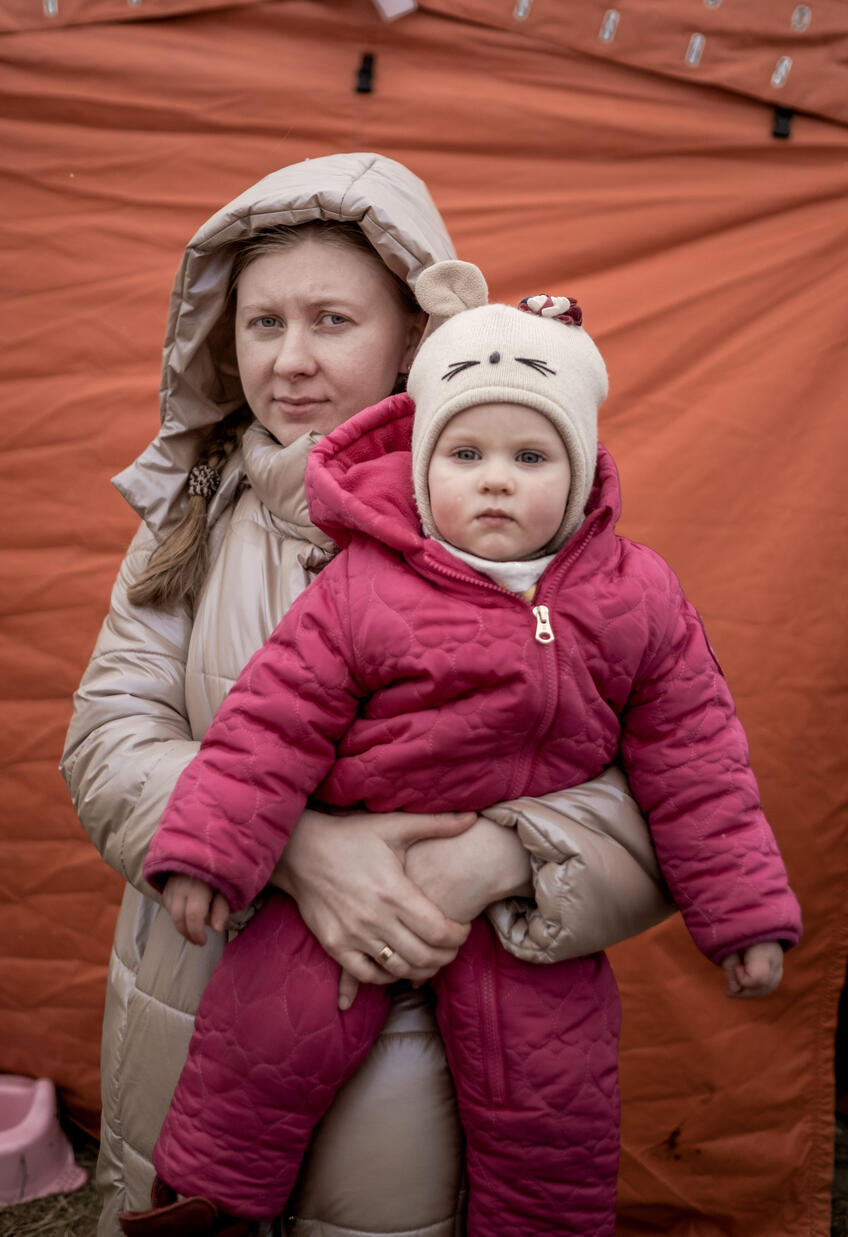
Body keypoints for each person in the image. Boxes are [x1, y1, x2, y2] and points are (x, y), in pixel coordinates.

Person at [118, 261, 802, 1237]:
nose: (493, 478)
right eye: (466, 453)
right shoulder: (364, 588)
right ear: (419, 465)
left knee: (552, 1100)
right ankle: (208, 1205)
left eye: (530, 458)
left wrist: (741, 914)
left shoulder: (633, 595)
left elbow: (698, 762)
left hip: (523, 917)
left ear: (581, 474)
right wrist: (210, 851)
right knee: (262, 1037)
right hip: (352, 869)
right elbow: (267, 726)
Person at [62, 154, 668, 1237]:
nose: (289, 361)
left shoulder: (519, 513)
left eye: (332, 320)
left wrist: (504, 854)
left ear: (407, 337)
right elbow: (109, 733)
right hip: (198, 1000)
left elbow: (677, 776)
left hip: (431, 1039)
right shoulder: (188, 520)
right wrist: (292, 844)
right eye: (260, 324)